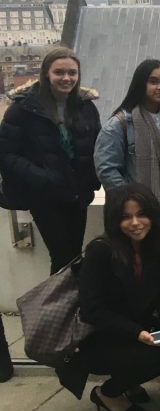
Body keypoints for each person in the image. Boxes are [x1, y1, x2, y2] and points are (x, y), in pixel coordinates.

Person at [78, 184, 160, 411]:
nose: (135, 223)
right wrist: (137, 333)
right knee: (150, 355)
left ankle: (129, 382)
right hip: (103, 337)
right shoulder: (100, 252)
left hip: (142, 331)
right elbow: (92, 310)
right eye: (126, 217)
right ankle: (108, 392)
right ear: (114, 221)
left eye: (141, 214)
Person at [0, 47, 101, 273]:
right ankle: (56, 307)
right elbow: (6, 155)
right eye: (60, 72)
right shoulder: (23, 109)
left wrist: (91, 180)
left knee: (73, 255)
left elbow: (96, 146)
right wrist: (41, 177)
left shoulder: (86, 107)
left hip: (77, 193)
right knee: (63, 256)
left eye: (72, 73)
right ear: (46, 74)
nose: (67, 78)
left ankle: (68, 306)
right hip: (44, 196)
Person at [93, 59, 160, 245]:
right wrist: (132, 200)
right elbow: (106, 170)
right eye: (153, 81)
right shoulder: (120, 124)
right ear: (141, 84)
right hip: (134, 215)